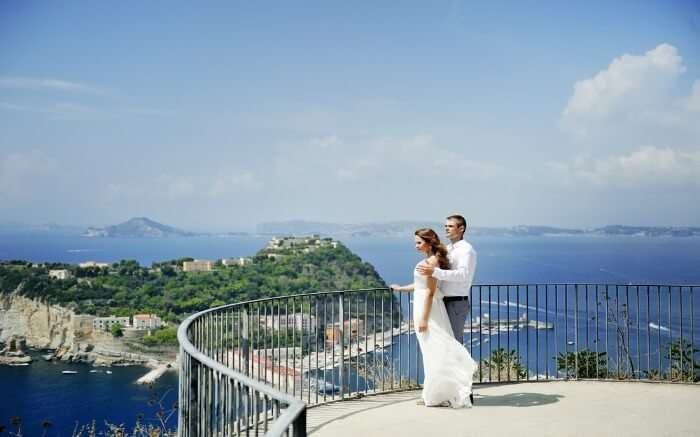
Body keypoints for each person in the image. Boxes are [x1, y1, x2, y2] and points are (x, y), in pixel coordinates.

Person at [391, 228, 477, 408]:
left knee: (434, 351)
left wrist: (423, 319)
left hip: (426, 308)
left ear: (429, 243)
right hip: (423, 304)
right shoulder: (429, 261)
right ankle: (434, 393)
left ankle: (437, 395)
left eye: (419, 243)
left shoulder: (432, 262)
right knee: (430, 351)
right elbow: (420, 285)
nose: (416, 246)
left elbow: (430, 292)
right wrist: (400, 289)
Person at [416, 214, 477, 344]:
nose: (446, 229)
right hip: (443, 301)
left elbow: (463, 275)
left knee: (454, 343)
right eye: (445, 226)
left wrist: (435, 272)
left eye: (450, 226)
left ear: (461, 229)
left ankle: (463, 365)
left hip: (456, 303)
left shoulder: (466, 250)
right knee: (444, 342)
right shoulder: (448, 249)